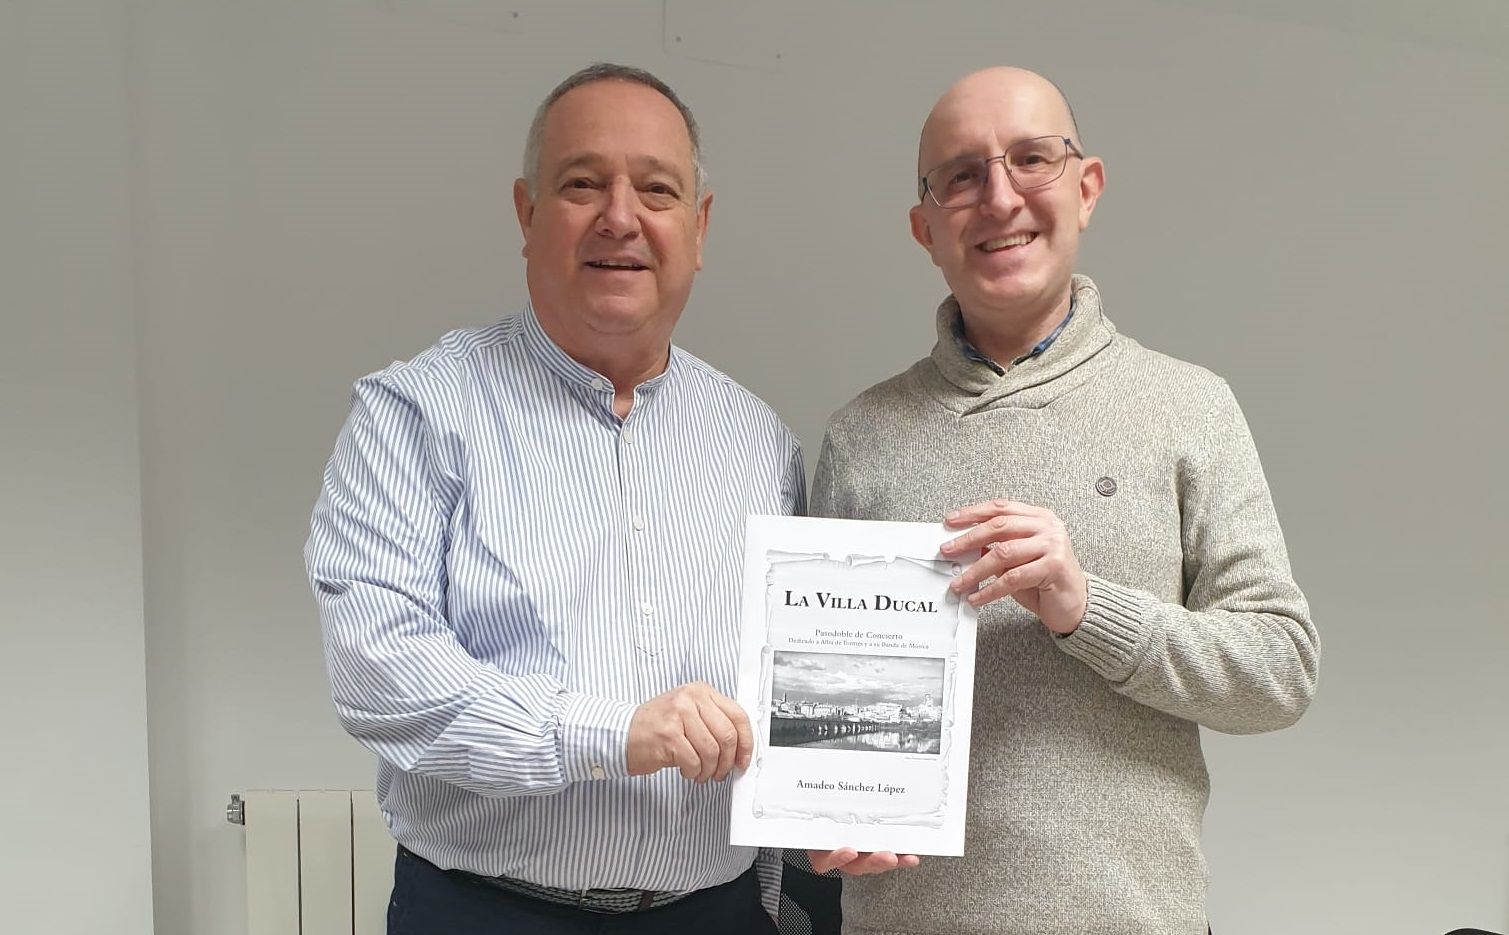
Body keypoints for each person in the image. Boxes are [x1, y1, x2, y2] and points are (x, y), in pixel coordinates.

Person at [799, 66, 1320, 935]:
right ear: (923, 227)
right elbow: (828, 710)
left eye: (1030, 159)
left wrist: (1087, 611)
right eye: (960, 175)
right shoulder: (863, 434)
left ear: (1086, 189)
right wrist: (825, 809)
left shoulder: (1189, 406)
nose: (998, 198)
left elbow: (1279, 673)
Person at [305, 63, 802, 935]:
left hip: (713, 914)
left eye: (657, 188)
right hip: (487, 911)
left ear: (699, 225)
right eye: (582, 183)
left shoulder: (760, 442)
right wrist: (610, 732)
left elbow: (790, 678)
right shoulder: (415, 412)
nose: (621, 216)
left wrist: (828, 819)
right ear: (527, 214)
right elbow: (379, 669)